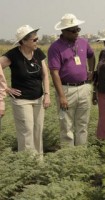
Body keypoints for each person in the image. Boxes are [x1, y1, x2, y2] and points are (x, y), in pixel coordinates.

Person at [0, 25, 51, 154]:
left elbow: (45, 74)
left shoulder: (38, 53)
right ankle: (28, 164)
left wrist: (47, 94)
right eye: (34, 39)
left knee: (37, 131)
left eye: (37, 39)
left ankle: (39, 164)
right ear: (23, 41)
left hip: (38, 99)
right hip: (22, 101)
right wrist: (6, 88)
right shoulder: (13, 55)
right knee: (26, 132)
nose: (37, 41)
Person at [48, 13, 96, 147]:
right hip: (66, 90)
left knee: (82, 125)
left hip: (84, 87)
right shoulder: (55, 47)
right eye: (73, 30)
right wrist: (62, 96)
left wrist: (91, 71)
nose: (76, 33)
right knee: (66, 127)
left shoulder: (83, 42)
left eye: (78, 29)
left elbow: (91, 56)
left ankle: (81, 154)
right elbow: (54, 72)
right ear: (63, 31)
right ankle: (69, 156)